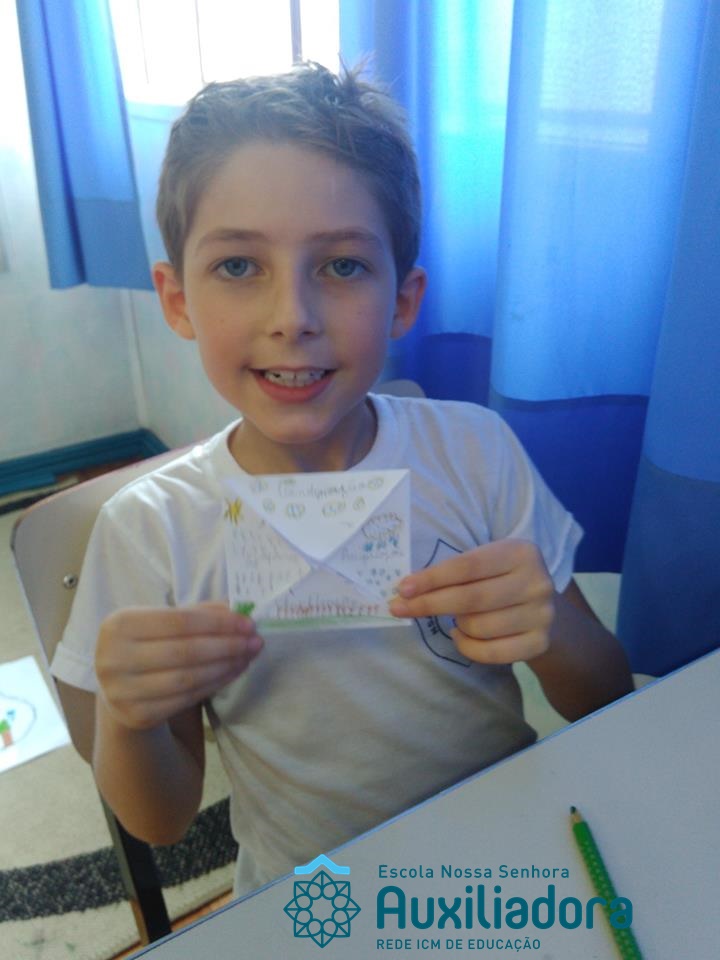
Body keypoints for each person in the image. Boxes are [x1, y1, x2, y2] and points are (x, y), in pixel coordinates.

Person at [50, 62, 632, 897]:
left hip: (505, 858)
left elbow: (603, 694)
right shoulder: (151, 532)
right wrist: (128, 714)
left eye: (344, 266)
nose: (292, 317)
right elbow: (162, 820)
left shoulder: (476, 453)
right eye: (239, 266)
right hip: (313, 899)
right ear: (176, 300)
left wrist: (552, 628)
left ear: (404, 300)